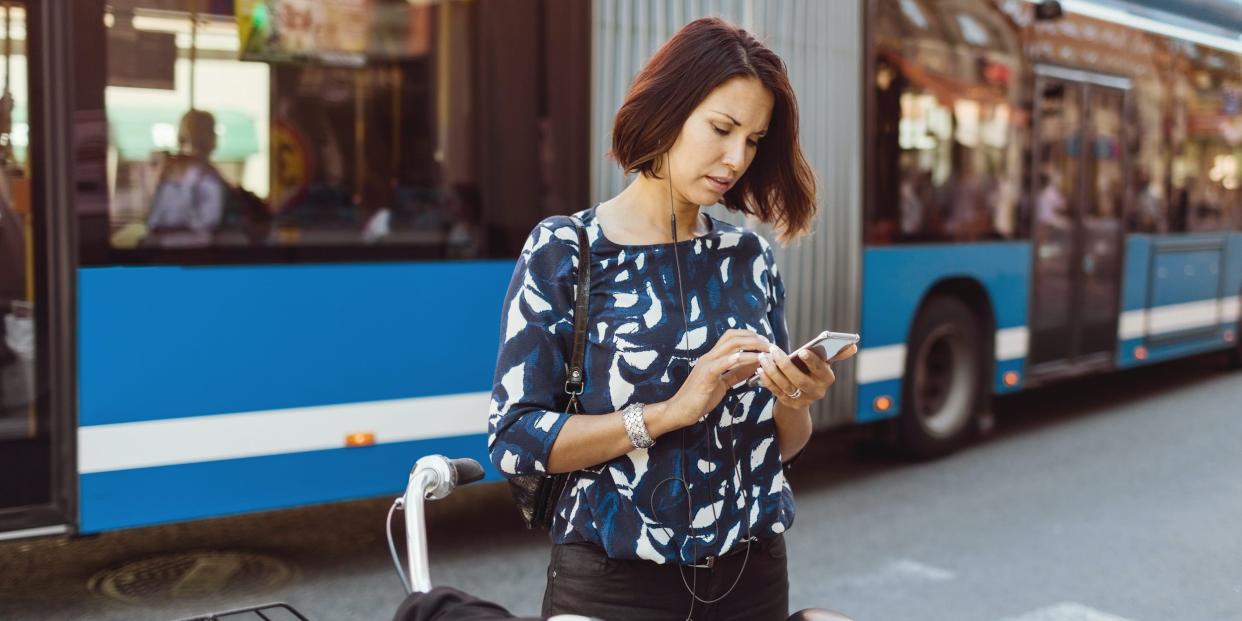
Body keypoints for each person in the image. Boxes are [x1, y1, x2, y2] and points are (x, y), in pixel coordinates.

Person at [487, 17, 857, 621]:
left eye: (755, 140)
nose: (736, 157)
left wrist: (797, 399)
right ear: (667, 110)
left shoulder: (748, 258)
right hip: (613, 588)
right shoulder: (567, 250)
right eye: (722, 128)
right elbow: (516, 438)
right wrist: (671, 413)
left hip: (752, 579)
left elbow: (779, 448)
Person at [144, 109, 227, 247]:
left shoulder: (168, 170)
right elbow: (210, 221)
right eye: (213, 132)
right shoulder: (206, 176)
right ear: (208, 137)